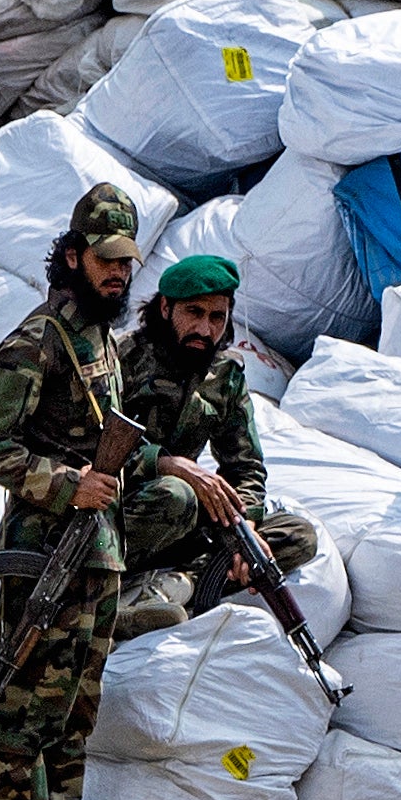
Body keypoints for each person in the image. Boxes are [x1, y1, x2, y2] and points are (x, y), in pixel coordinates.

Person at [0, 185, 155, 800]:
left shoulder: (104, 342)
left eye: (125, 263)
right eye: (105, 261)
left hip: (98, 554)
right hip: (45, 550)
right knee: (25, 704)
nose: (116, 275)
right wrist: (65, 483)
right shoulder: (36, 341)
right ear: (74, 256)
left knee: (76, 711)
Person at [113, 252, 323, 641]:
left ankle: (175, 586)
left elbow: (245, 467)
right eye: (193, 313)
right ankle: (106, 599)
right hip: (120, 515)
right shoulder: (121, 362)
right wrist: (167, 464)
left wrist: (248, 532)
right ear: (165, 308)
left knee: (296, 535)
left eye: (217, 317)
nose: (205, 329)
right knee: (176, 495)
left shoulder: (223, 375)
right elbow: (88, 448)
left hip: (182, 525)